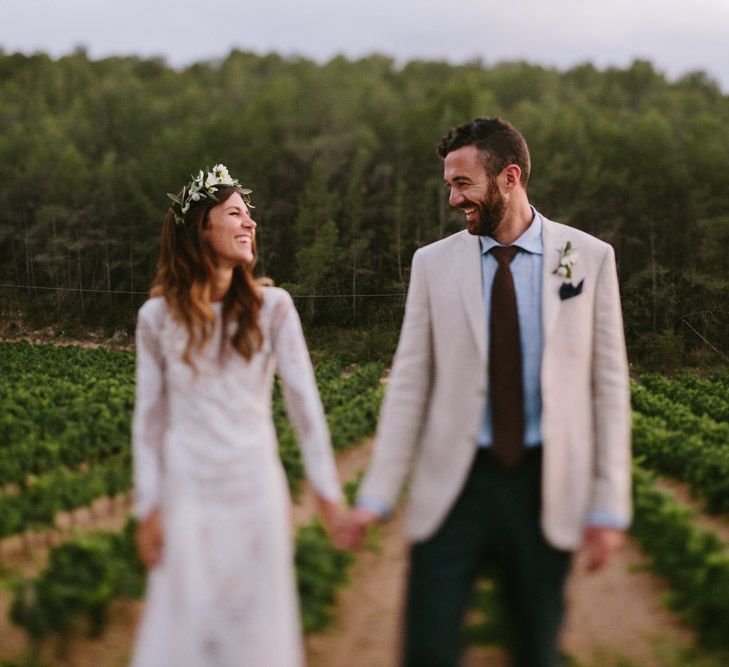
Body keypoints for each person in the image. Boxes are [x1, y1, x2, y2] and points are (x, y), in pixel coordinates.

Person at [345, 118, 632, 666]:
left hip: (544, 485)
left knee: (534, 650)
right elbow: (409, 384)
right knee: (426, 649)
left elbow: (608, 387)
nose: (453, 198)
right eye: (449, 185)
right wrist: (377, 496)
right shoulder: (432, 265)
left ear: (509, 177)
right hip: (456, 487)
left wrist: (610, 506)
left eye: (463, 184)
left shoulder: (589, 258)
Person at [130, 164, 345, 667]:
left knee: (256, 630)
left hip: (254, 490)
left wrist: (327, 491)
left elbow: (305, 407)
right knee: (189, 627)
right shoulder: (155, 319)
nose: (250, 224)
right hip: (188, 491)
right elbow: (149, 422)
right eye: (234, 214)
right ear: (200, 227)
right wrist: (148, 506)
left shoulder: (275, 308)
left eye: (250, 216)